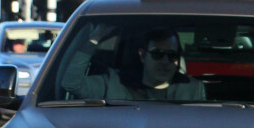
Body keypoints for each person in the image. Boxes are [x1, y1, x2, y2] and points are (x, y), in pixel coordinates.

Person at [61, 27, 205, 101]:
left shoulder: (192, 89)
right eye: (157, 54)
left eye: (172, 55)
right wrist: (94, 39)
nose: (165, 61)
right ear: (142, 56)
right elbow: (72, 83)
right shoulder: (114, 83)